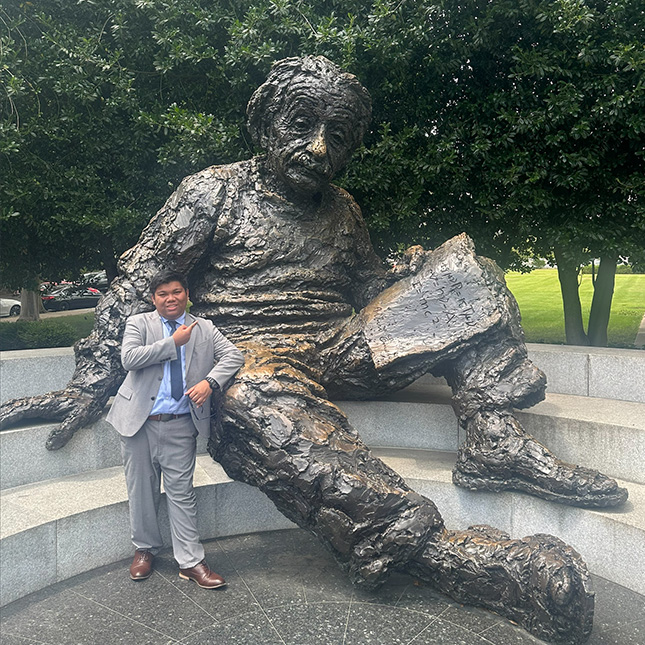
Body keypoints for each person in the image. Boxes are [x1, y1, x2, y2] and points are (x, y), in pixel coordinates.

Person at [1, 56, 622, 641]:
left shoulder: (343, 208)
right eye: (302, 125)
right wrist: (92, 379)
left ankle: (494, 441)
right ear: (264, 125)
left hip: (334, 345)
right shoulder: (212, 193)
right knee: (246, 395)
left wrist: (411, 275)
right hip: (250, 355)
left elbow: (367, 287)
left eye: (338, 136)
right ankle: (440, 555)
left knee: (467, 276)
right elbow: (139, 283)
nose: (320, 148)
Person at [106, 269, 244, 586]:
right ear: (154, 299)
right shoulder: (139, 323)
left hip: (181, 425)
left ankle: (191, 562)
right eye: (163, 294)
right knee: (141, 492)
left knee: (182, 495)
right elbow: (129, 358)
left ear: (187, 293)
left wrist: (210, 383)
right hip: (138, 423)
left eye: (177, 292)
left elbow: (233, 356)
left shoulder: (204, 328)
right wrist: (172, 343)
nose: (171, 298)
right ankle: (144, 550)